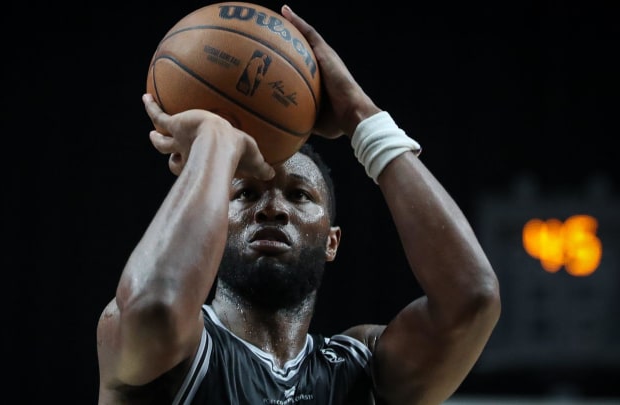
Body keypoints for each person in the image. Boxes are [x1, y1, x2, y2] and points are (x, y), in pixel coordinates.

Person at [96, 5, 501, 405]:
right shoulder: (176, 355)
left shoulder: (359, 370)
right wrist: (215, 139)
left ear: (332, 241)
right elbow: (155, 311)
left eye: (299, 195)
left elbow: (471, 299)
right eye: (246, 194)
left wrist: (363, 117)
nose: (272, 208)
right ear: (214, 227)